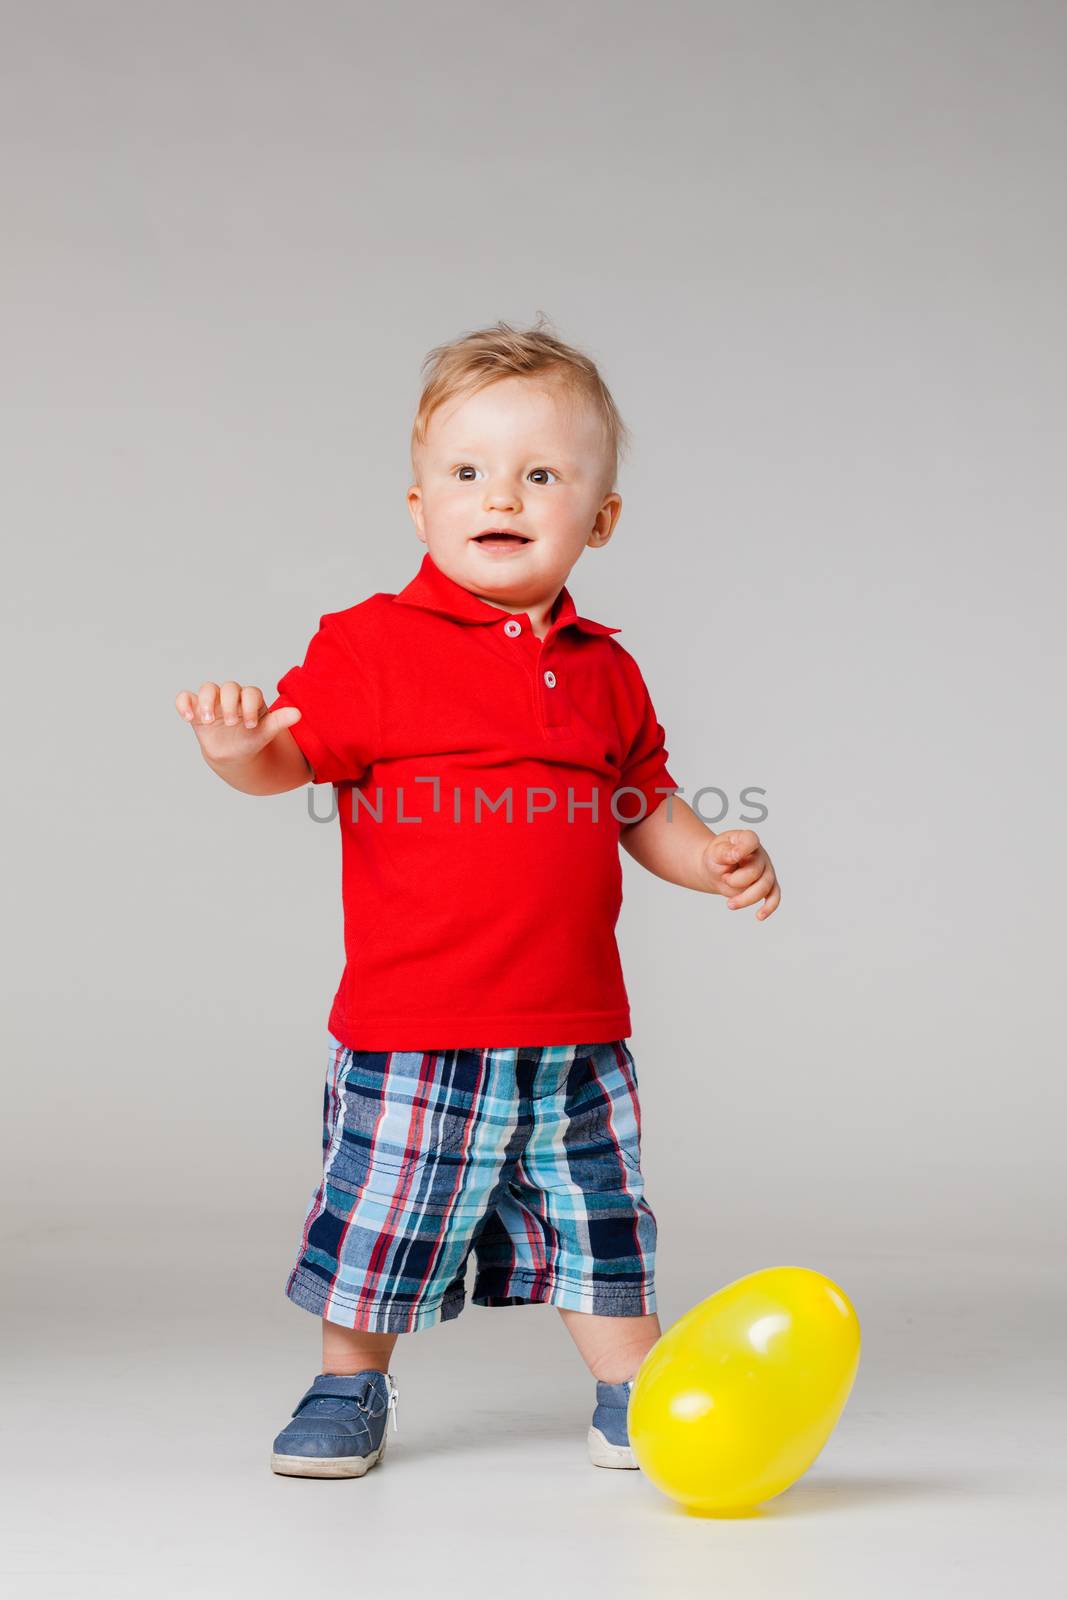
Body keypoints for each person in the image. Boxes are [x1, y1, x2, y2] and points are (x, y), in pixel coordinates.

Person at [175, 318, 781, 1480]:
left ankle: (633, 1389)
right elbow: (285, 765)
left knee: (598, 1213)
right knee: (385, 1215)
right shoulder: (370, 644)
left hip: (573, 1026)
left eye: (540, 475)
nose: (499, 495)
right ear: (418, 506)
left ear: (597, 521)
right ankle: (349, 1383)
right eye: (466, 474)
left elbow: (639, 800)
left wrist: (708, 858)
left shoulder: (605, 666)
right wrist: (233, 746)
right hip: (418, 1025)